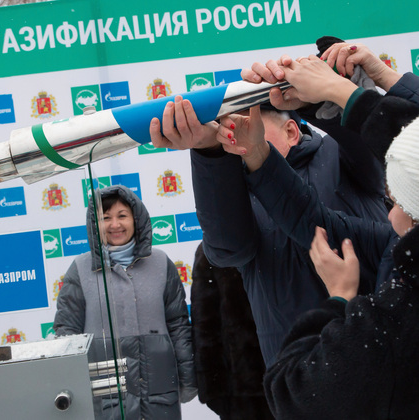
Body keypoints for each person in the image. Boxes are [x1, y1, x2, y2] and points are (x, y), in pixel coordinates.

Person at [218, 56, 419, 418]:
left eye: (401, 202)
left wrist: (340, 298)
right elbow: (312, 220)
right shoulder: (397, 250)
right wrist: (345, 92)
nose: (389, 214)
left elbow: (298, 394)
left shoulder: (403, 306)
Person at [53, 185, 196, 420]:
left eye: (122, 216)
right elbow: (67, 334)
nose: (115, 225)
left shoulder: (161, 263)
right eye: (106, 218)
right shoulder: (80, 269)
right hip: (105, 401)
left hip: (159, 396)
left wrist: (188, 377)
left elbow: (178, 325)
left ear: (136, 219)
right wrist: (70, 385)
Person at [190, 243, 273, 420]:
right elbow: (205, 327)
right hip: (242, 391)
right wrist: (213, 388)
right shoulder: (212, 250)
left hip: (290, 378)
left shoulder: (280, 240)